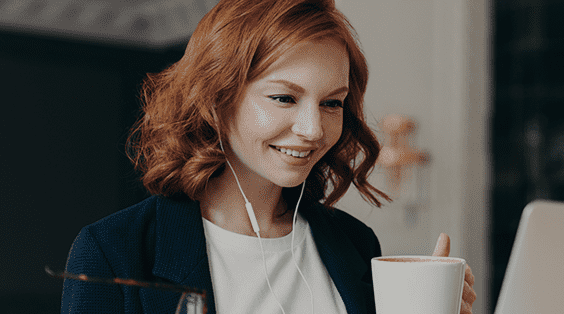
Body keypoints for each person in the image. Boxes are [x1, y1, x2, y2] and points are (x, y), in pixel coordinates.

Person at [60, 0, 476, 313]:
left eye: (332, 103)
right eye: (284, 97)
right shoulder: (114, 251)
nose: (313, 130)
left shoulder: (355, 245)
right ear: (217, 99)